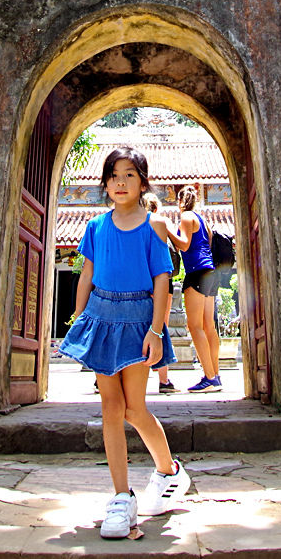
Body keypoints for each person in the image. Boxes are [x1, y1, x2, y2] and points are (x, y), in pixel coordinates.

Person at [58, 147, 192, 538]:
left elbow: (162, 282)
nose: (120, 181)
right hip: (101, 317)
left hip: (137, 321)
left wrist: (155, 330)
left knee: (134, 409)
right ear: (105, 183)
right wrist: (80, 320)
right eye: (114, 175)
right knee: (110, 408)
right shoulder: (96, 228)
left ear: (143, 182)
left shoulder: (154, 226)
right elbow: (87, 276)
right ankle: (121, 496)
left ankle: (169, 471)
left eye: (129, 175)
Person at [175, 185, 222, 392]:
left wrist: (167, 229)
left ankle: (209, 377)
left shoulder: (186, 217)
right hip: (211, 273)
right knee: (209, 326)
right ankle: (216, 375)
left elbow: (184, 245)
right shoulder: (204, 221)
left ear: (180, 202)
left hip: (196, 272)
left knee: (194, 326)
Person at [143, 192, 180, 394]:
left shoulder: (134, 225)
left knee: (132, 327)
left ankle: (111, 376)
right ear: (156, 208)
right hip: (162, 282)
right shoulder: (160, 224)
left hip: (140, 283)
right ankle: (164, 380)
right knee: (160, 328)